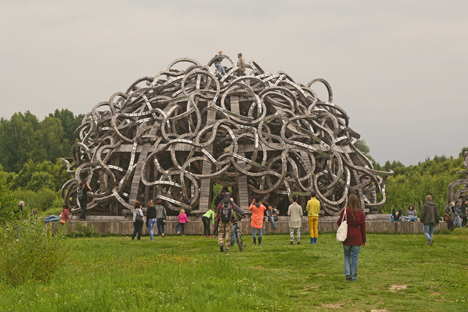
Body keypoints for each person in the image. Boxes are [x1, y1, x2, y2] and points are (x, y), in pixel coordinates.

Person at [337, 194, 366, 282]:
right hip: (357, 237)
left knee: (346, 256)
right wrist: (364, 240)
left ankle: (347, 273)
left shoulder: (345, 211)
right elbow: (363, 228)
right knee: (355, 257)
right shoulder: (361, 213)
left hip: (347, 236)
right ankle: (353, 277)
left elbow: (339, 222)